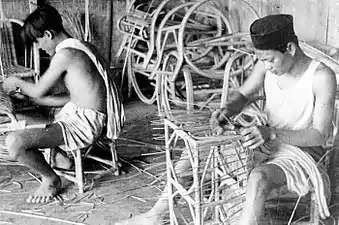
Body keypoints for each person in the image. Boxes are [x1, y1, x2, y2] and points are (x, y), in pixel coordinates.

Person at [115, 14, 337, 225]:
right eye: (263, 61)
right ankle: (154, 215)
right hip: (266, 141)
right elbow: (243, 94)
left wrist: (272, 133)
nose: (267, 67)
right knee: (195, 151)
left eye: (270, 60)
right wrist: (227, 110)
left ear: (289, 48)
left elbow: (319, 135)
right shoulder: (265, 65)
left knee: (258, 179)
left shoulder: (321, 77)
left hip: (301, 151)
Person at [2, 4, 125, 204]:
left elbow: (38, 89)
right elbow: (74, 98)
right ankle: (62, 158)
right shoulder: (83, 46)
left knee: (14, 143)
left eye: (38, 41)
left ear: (48, 34)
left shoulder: (65, 54)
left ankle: (51, 179)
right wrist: (32, 100)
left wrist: (16, 83)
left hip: (84, 123)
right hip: (81, 113)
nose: (39, 47)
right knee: (22, 118)